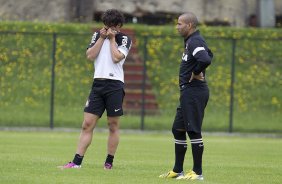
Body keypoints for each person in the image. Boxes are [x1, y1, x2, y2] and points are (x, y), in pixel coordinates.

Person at [59, 9, 132, 170]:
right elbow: (90, 56)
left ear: (119, 26)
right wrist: (101, 38)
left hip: (115, 85)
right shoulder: (97, 35)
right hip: (98, 84)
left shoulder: (124, 39)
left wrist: (112, 39)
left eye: (112, 26)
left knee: (112, 125)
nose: (108, 28)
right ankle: (76, 162)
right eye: (106, 25)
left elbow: (116, 57)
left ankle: (109, 162)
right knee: (87, 124)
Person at [159, 12, 213, 180]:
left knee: (193, 131)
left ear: (189, 25)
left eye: (180, 24)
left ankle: (198, 172)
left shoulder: (195, 40)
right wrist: (198, 69)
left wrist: (196, 71)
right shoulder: (192, 41)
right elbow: (210, 54)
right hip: (188, 92)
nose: (177, 26)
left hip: (195, 91)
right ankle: (177, 170)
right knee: (178, 129)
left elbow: (205, 59)